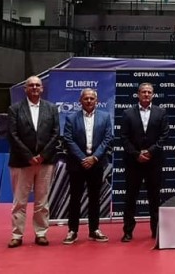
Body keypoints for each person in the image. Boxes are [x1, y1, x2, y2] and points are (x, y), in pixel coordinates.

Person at [6, 75, 60, 248]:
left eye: (38, 85)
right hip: (22, 162)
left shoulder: (51, 108)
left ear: (42, 88)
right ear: (25, 89)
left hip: (45, 161)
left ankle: (41, 233)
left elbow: (55, 134)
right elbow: (13, 135)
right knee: (19, 202)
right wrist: (29, 156)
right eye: (31, 85)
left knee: (42, 201)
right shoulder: (15, 109)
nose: (35, 88)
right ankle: (17, 235)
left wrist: (42, 155)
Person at [120, 82, 169, 242]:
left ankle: (156, 231)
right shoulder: (128, 113)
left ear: (153, 94)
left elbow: (164, 136)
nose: (146, 94)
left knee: (154, 198)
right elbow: (124, 137)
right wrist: (136, 154)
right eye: (143, 92)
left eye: (149, 92)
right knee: (130, 198)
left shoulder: (161, 112)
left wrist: (150, 151)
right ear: (138, 94)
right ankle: (128, 231)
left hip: (154, 162)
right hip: (133, 162)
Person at [62, 88, 113, 244]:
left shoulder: (105, 117)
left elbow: (107, 138)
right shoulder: (71, 118)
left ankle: (94, 230)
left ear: (96, 101)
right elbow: (68, 139)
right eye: (86, 98)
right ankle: (72, 230)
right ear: (80, 101)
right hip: (77, 165)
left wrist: (94, 157)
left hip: (96, 164)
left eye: (92, 98)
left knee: (95, 198)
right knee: (75, 198)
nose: (89, 101)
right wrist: (84, 158)